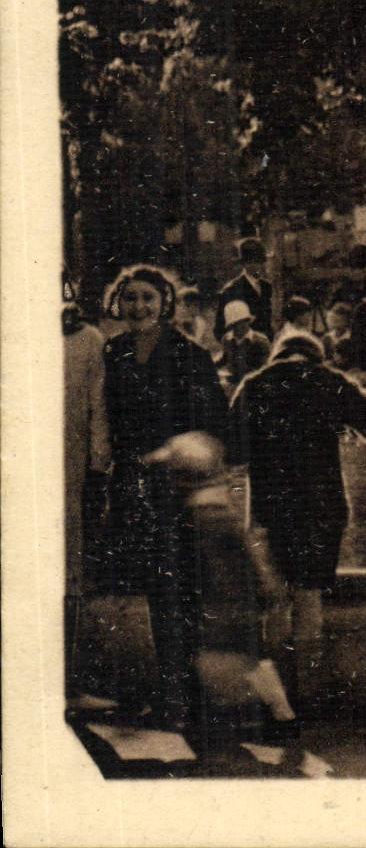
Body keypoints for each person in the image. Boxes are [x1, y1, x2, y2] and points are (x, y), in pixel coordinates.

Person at [97, 263, 229, 731]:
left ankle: (189, 699)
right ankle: (174, 695)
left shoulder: (188, 354)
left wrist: (180, 453)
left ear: (165, 303)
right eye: (130, 298)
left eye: (148, 298)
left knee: (182, 590)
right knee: (156, 591)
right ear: (119, 303)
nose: (139, 307)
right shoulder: (111, 351)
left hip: (176, 486)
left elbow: (215, 419)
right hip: (135, 486)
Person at [229, 332, 366, 713]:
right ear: (315, 357)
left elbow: (231, 450)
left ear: (278, 356)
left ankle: (278, 702)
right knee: (309, 598)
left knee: (277, 601)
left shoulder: (253, 385)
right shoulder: (331, 381)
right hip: (322, 511)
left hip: (270, 510)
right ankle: (309, 694)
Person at [145, 432, 299, 745]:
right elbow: (249, 555)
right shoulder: (220, 511)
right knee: (255, 659)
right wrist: (263, 588)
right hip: (236, 602)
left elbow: (201, 567)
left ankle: (259, 720)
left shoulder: (197, 517)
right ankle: (280, 718)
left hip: (219, 604)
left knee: (222, 658)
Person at [63, 276, 111, 706]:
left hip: (71, 475)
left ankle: (67, 682)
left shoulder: (89, 340)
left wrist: (98, 470)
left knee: (70, 571)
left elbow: (99, 410)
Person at [214, 236, 275, 340]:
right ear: (243, 263)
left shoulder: (266, 287)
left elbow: (268, 322)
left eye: (258, 261)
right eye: (249, 261)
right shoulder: (232, 289)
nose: (254, 265)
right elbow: (220, 329)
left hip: (263, 346)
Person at [218, 299, 272, 391]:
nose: (242, 326)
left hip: (254, 387)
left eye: (244, 321)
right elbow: (224, 357)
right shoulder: (227, 340)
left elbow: (266, 368)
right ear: (231, 325)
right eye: (237, 323)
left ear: (248, 321)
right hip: (232, 386)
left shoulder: (260, 341)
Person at [174, 286, 219, 362]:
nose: (198, 308)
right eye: (195, 305)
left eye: (198, 305)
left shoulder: (200, 323)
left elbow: (202, 343)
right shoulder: (176, 323)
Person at [321, 301, 355, 369]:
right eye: (334, 318)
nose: (336, 319)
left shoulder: (352, 337)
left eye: (341, 316)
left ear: (347, 320)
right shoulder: (327, 338)